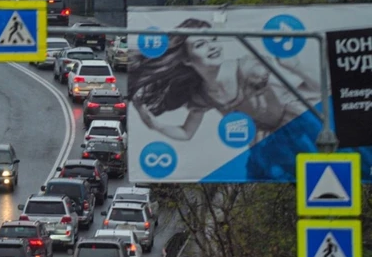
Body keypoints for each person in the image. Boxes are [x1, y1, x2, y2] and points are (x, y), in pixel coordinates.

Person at [128, 18, 324, 180]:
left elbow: (315, 89)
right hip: (268, 142)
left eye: (213, 39)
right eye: (200, 44)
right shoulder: (202, 95)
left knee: (325, 173)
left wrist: (295, 65)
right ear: (187, 60)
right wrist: (154, 125)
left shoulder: (250, 68)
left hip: (299, 125)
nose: (212, 47)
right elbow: (186, 133)